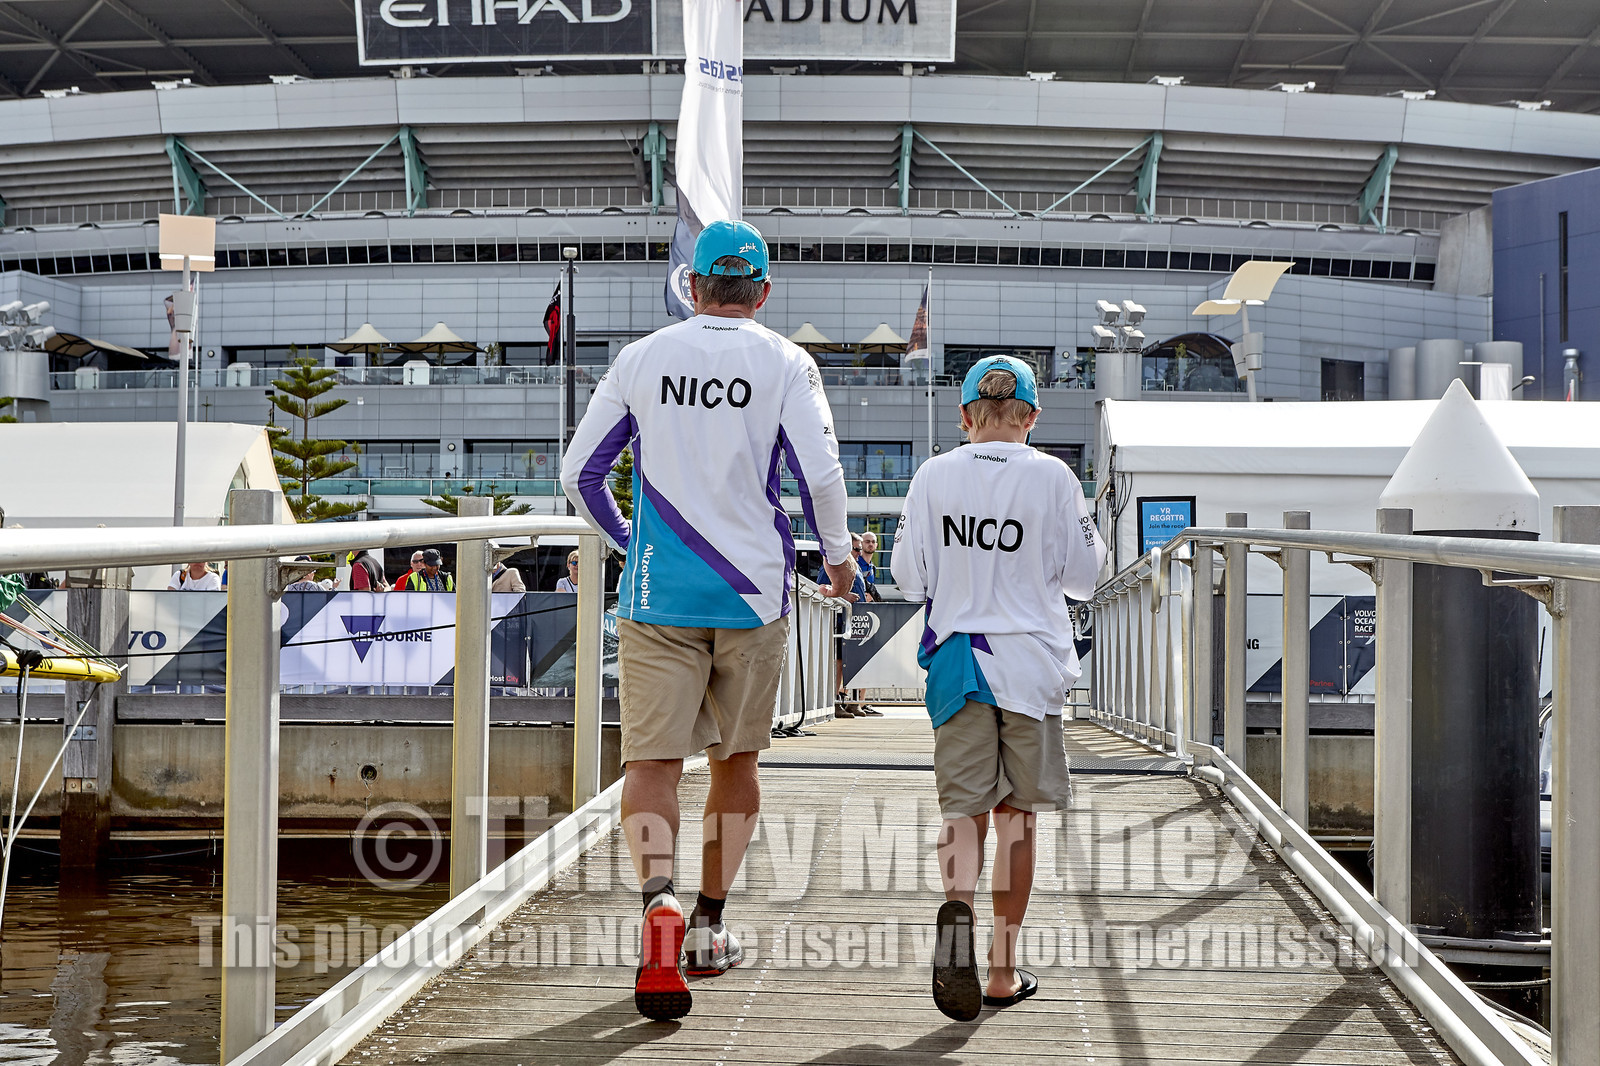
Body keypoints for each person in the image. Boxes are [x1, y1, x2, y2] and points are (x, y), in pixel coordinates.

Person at [562, 219, 855, 1022]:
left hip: (660, 593)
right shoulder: (786, 362)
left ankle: (656, 899)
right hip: (754, 596)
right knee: (736, 761)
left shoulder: (644, 357)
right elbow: (822, 477)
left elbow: (579, 473)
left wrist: (632, 543)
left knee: (651, 763)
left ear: (691, 287)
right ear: (762, 292)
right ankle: (709, 925)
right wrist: (837, 562)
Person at [896, 355, 1106, 1022]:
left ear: (964, 416)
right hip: (1031, 669)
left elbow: (908, 578)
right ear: (1032, 417)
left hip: (960, 664)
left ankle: (956, 906)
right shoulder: (1053, 477)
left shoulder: (934, 476)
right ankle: (1000, 969)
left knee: (966, 813)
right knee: (1017, 819)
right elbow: (1085, 578)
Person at [817, 534, 879, 718]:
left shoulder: (856, 566)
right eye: (856, 548)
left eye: (860, 548)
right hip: (840, 622)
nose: (860, 552)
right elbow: (820, 586)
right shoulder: (833, 565)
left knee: (855, 661)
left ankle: (853, 702)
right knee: (839, 662)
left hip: (856, 621)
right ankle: (835, 701)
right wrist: (843, 596)